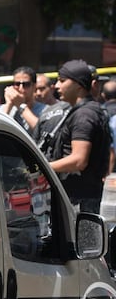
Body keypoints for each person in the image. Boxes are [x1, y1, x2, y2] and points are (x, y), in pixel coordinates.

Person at [49, 59, 111, 212]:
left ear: (78, 85)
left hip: (79, 202)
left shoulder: (84, 115)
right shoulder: (84, 111)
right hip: (79, 198)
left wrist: (43, 167)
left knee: (80, 236)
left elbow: (78, 160)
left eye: (62, 81)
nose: (57, 86)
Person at [32, 73, 71, 159]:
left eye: (42, 89)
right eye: (35, 90)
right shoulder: (30, 108)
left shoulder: (65, 109)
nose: (38, 93)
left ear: (52, 88)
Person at [0, 66, 44, 136]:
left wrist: (21, 106)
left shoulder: (44, 110)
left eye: (26, 84)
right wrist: (8, 105)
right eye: (17, 84)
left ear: (34, 86)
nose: (21, 88)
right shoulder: (3, 109)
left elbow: (41, 131)